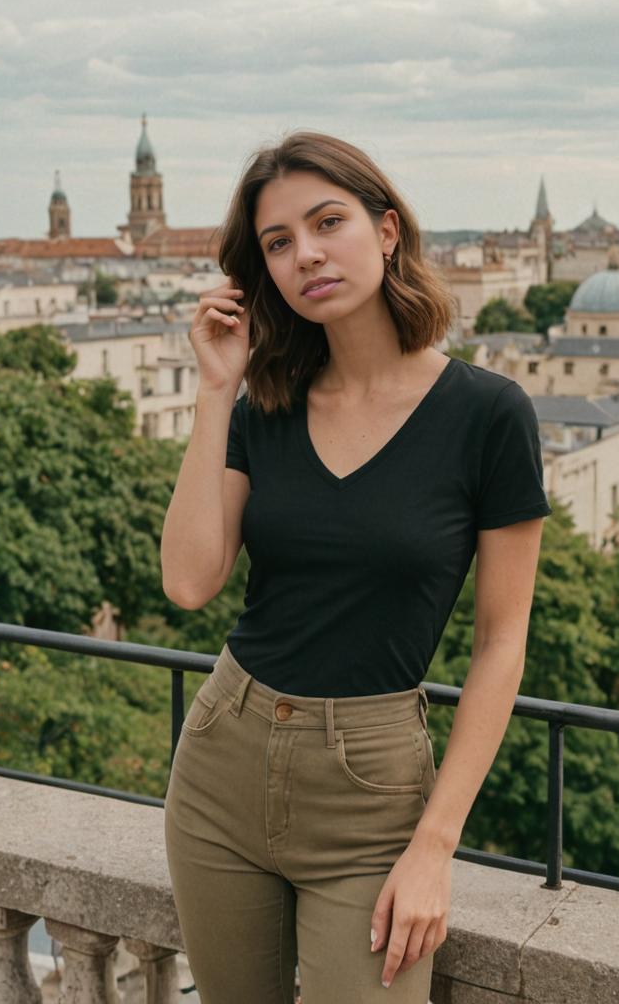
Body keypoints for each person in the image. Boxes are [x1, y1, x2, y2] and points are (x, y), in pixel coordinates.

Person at [160, 130, 552, 1003]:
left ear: (385, 230)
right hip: (223, 757)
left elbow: (501, 643)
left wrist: (436, 845)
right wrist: (216, 390)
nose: (306, 254)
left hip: (370, 788)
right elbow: (189, 582)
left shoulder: (489, 417)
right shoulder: (263, 401)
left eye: (326, 221)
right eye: (277, 243)